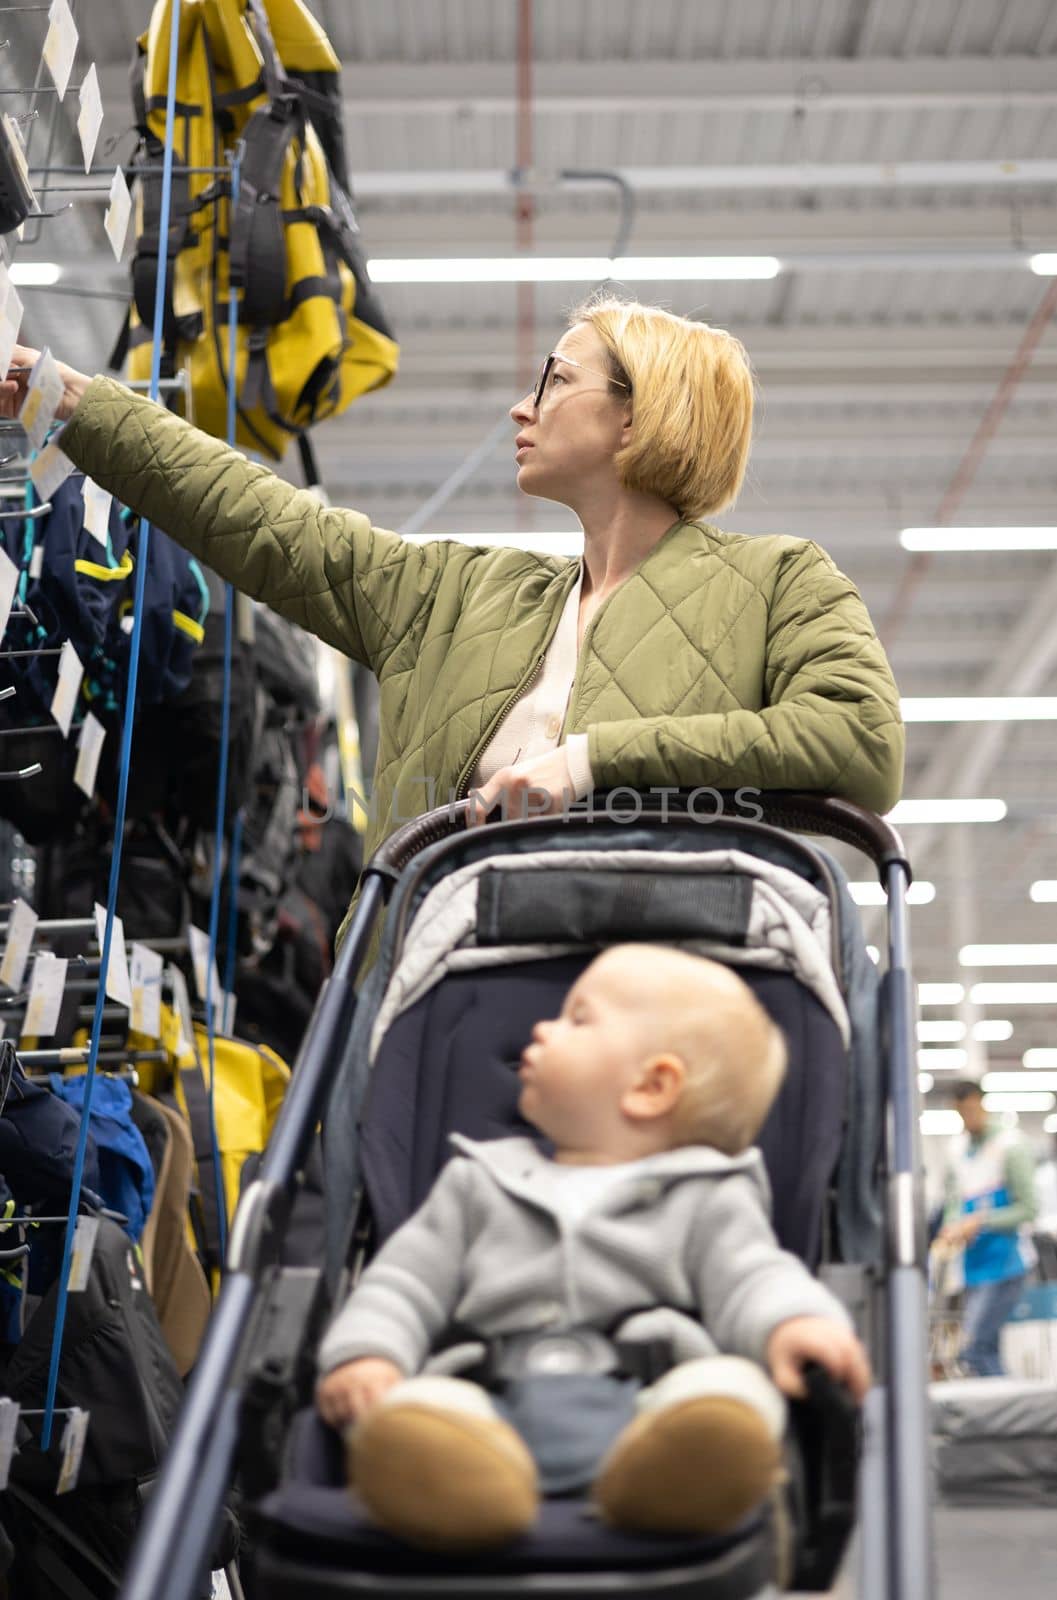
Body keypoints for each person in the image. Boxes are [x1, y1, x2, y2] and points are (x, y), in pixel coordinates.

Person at [0, 299, 903, 958]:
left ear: (639, 414)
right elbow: (262, 519)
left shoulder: (781, 579)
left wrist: (588, 762)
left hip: (667, 1000)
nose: (523, 406)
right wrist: (77, 404)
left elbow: (858, 743)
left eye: (555, 380)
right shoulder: (454, 595)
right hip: (435, 1002)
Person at [315, 945, 871, 1551]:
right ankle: (458, 1488)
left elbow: (754, 1277)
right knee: (418, 1407)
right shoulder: (477, 1182)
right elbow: (402, 1283)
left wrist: (793, 1322)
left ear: (652, 1086)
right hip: (487, 1402)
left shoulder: (707, 1198)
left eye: (576, 1019)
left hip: (650, 1409)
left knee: (732, 1393)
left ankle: (680, 1478)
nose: (541, 1028)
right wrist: (369, 1354)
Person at [939, 1080, 1038, 1377]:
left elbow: (1028, 1208)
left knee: (974, 1347)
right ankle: (1004, 1413)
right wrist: (950, 1226)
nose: (967, 1119)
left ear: (982, 1104)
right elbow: (954, 1201)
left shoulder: (1010, 1146)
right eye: (960, 1113)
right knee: (987, 1347)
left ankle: (1008, 1416)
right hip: (973, 1266)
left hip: (1007, 1265)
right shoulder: (958, 1151)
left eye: (971, 1110)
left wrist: (980, 1221)